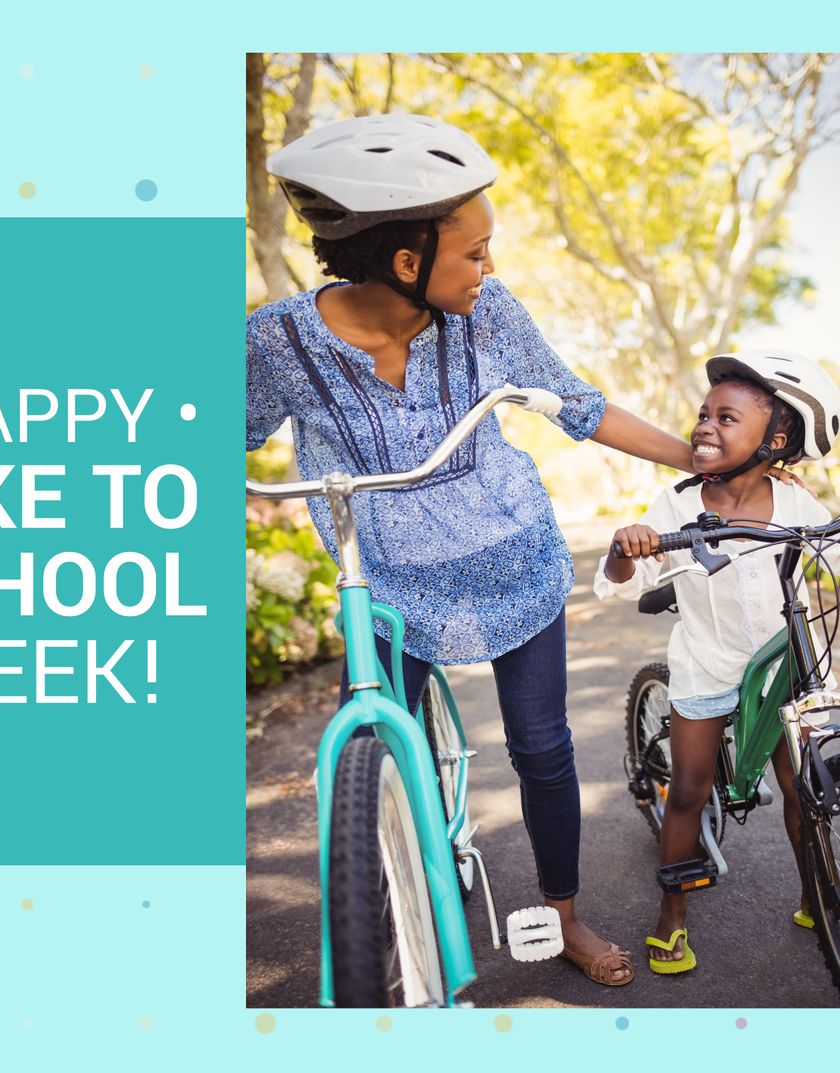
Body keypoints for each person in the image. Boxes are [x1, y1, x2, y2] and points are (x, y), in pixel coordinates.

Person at [247, 112, 703, 987]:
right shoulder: (278, 341)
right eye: (475, 251)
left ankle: (564, 917)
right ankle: (391, 904)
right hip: (382, 573)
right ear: (404, 258)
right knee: (367, 750)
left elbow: (579, 406)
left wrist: (699, 461)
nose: (489, 268)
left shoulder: (487, 316)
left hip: (510, 556)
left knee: (542, 747)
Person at [594, 350, 840, 974]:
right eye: (705, 414)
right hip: (707, 661)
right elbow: (620, 579)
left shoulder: (795, 505)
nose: (705, 426)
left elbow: (829, 545)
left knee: (802, 786)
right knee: (689, 791)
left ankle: (817, 889)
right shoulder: (677, 503)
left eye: (727, 418)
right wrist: (628, 546)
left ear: (776, 441)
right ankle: (672, 915)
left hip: (782, 666)